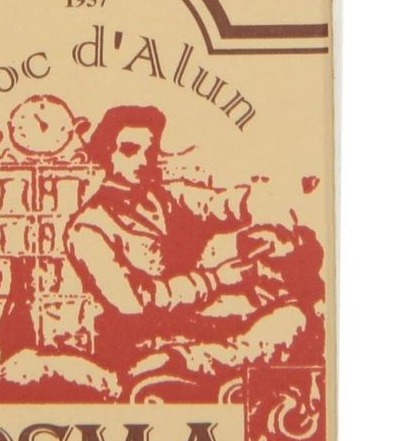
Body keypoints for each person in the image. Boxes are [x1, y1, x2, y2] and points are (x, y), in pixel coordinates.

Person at [64, 105, 316, 382]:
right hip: (141, 344)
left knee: (298, 314)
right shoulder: (88, 227)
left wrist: (260, 204)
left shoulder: (165, 197)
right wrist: (216, 279)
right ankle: (181, 363)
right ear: (107, 152)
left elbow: (217, 203)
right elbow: (133, 303)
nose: (143, 161)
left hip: (195, 324)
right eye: (130, 150)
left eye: (150, 152)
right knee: (288, 324)